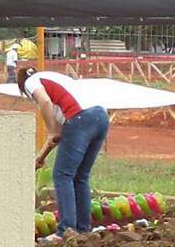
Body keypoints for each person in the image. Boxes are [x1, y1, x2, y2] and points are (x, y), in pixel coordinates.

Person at [17, 62, 110, 233]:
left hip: (80, 118)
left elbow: (45, 102)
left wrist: (51, 129)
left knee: (62, 175)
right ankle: (83, 230)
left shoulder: (31, 82)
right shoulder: (55, 81)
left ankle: (66, 231)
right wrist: (40, 158)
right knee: (80, 176)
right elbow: (59, 136)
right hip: (101, 116)